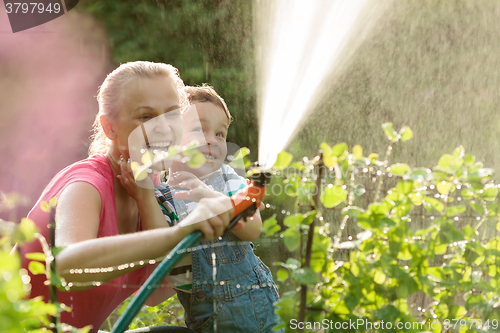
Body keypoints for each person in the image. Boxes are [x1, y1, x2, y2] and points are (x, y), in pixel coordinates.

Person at [21, 62, 239, 333]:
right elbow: (66, 267)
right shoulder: (87, 184)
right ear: (110, 128)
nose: (164, 128)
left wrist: (217, 239)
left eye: (172, 114)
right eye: (146, 117)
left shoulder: (148, 189)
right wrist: (177, 234)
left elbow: (159, 292)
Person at [155, 85, 282, 333]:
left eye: (221, 134)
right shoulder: (162, 197)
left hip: (262, 304)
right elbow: (171, 269)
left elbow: (254, 228)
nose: (212, 140)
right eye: (199, 129)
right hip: (211, 319)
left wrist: (217, 201)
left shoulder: (227, 179)